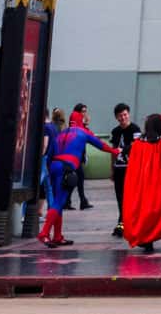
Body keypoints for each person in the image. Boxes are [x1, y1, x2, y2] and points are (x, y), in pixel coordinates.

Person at [38, 108, 104, 247]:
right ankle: (44, 233)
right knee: (58, 202)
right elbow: (99, 144)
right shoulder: (76, 132)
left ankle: (57, 235)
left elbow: (50, 152)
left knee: (57, 202)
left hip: (55, 167)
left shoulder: (60, 132)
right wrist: (115, 151)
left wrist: (49, 168)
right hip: (66, 168)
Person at [122, 113, 161, 252]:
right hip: (157, 186)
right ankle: (148, 238)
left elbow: (132, 168)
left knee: (141, 211)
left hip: (139, 185)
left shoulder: (138, 144)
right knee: (154, 211)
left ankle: (143, 237)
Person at [105, 104, 137, 238]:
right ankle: (122, 222)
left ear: (128, 114)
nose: (123, 118)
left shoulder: (135, 129)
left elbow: (137, 146)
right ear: (116, 117)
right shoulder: (116, 131)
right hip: (119, 168)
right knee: (120, 196)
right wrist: (112, 168)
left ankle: (127, 223)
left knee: (130, 197)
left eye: (125, 114)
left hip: (130, 168)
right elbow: (113, 150)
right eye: (120, 116)